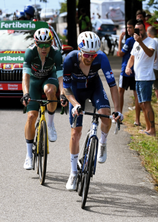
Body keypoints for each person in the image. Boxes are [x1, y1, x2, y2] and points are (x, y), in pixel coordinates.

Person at [63, 32, 123, 190]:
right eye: (87, 54)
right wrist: (75, 104)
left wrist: (117, 110)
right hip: (76, 92)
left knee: (105, 114)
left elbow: (112, 86)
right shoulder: (70, 59)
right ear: (80, 50)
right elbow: (66, 88)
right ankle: (73, 173)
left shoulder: (101, 58)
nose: (90, 58)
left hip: (94, 87)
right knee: (75, 133)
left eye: (93, 54)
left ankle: (102, 142)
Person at [21, 28, 66, 170]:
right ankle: (28, 156)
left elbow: (60, 77)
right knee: (31, 116)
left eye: (47, 44)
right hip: (34, 81)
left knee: (50, 91)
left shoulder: (56, 53)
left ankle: (51, 124)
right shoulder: (30, 53)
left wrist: (63, 93)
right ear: (36, 43)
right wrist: (26, 93)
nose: (44, 47)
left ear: (51, 43)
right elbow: (25, 77)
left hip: (49, 78)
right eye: (40, 44)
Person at [125, 21, 156, 137]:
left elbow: (150, 53)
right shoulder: (135, 44)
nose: (139, 32)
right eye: (137, 30)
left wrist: (140, 42)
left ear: (145, 30)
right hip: (138, 78)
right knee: (142, 104)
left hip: (146, 77)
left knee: (146, 104)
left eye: (141, 30)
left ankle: (152, 130)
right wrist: (128, 67)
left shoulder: (151, 41)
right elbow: (132, 58)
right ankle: (148, 128)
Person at [117, 20, 141, 126]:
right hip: (136, 71)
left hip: (126, 70)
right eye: (127, 28)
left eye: (130, 28)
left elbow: (120, 54)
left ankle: (119, 116)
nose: (128, 30)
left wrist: (119, 40)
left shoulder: (129, 40)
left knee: (120, 92)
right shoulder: (140, 40)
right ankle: (137, 120)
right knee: (136, 94)